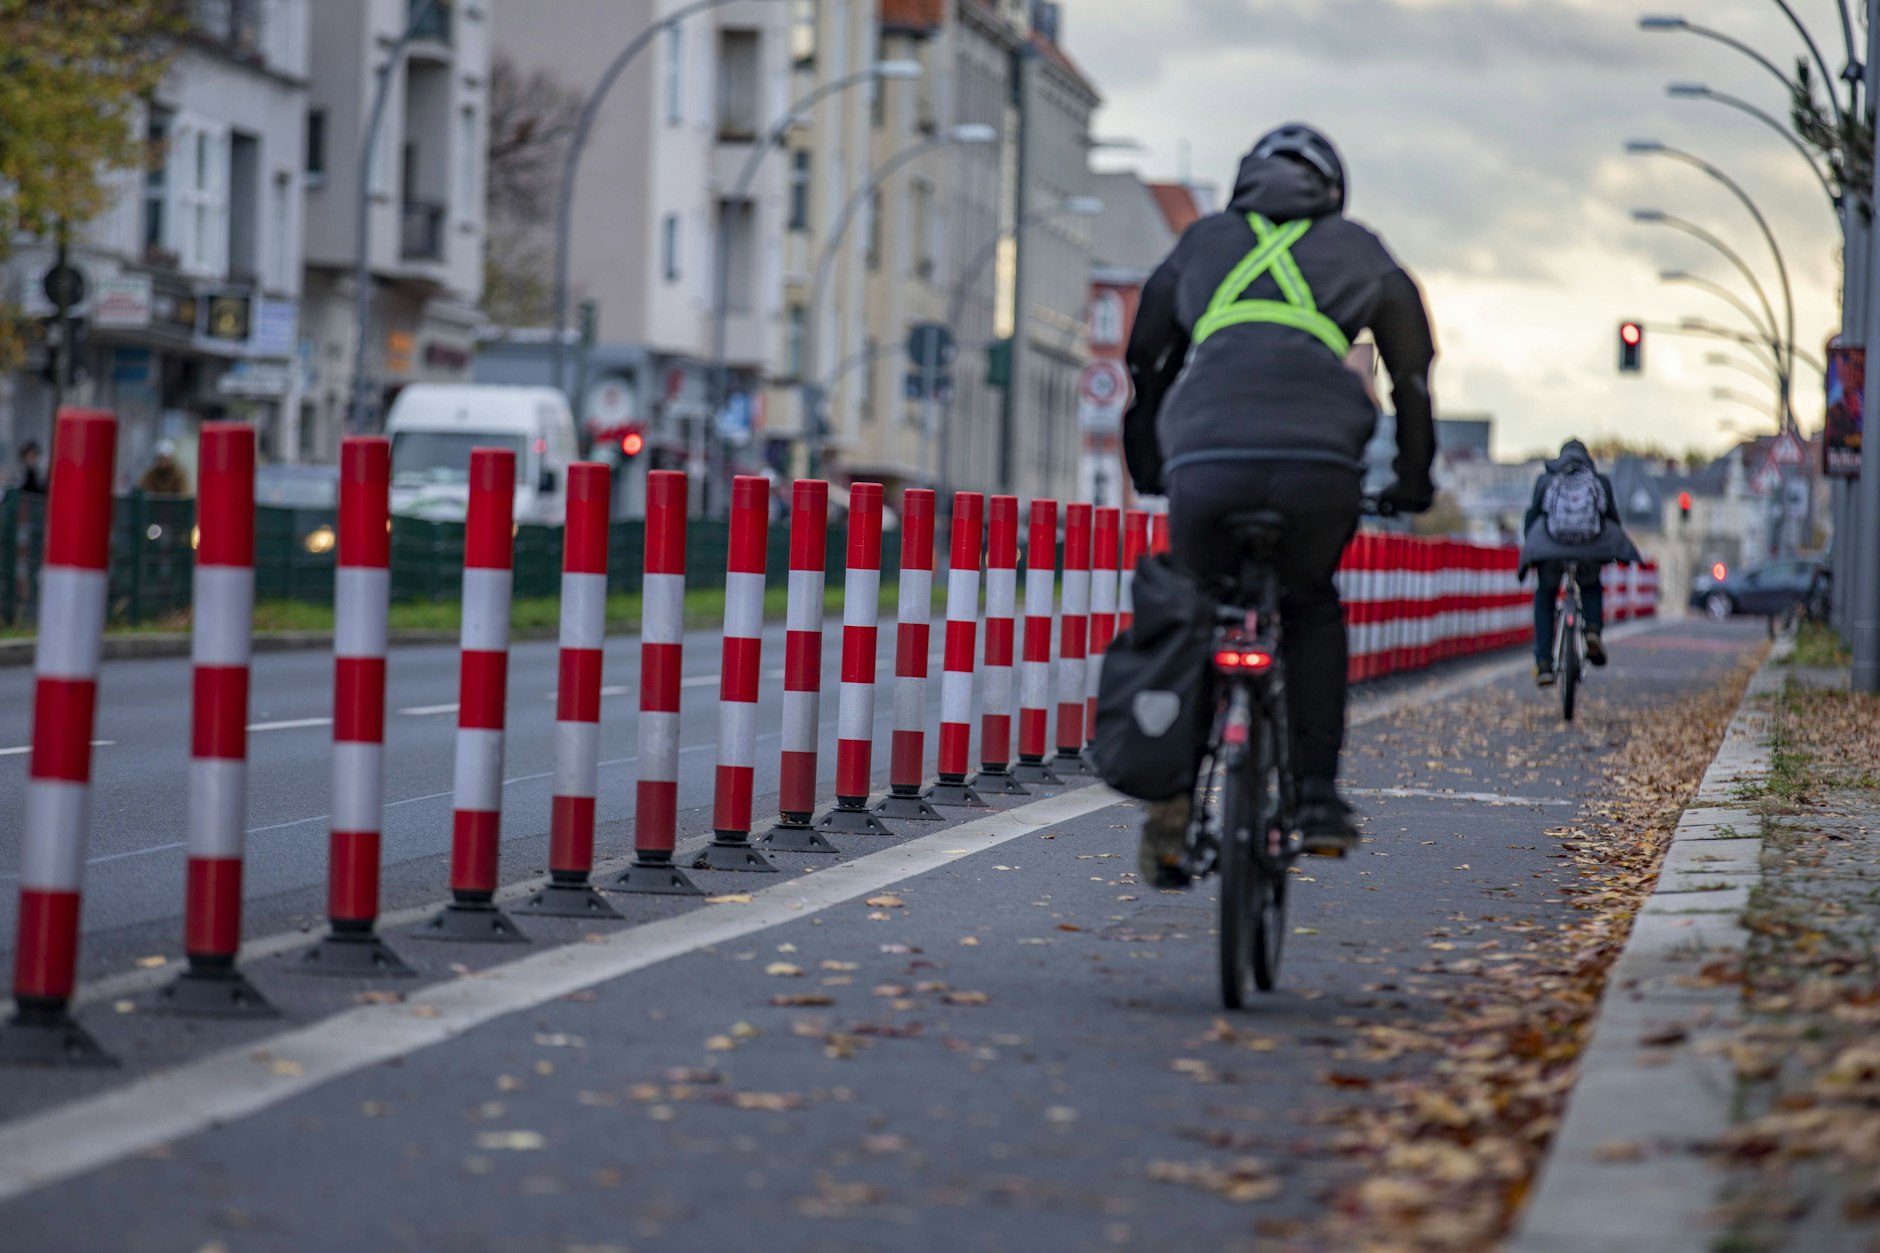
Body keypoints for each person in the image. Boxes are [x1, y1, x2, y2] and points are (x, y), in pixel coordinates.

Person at [1122, 123, 1437, 873]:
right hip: (1318, 463)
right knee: (1310, 604)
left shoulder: (1200, 244)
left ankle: (1170, 806)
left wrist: (1152, 465)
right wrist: (1414, 482)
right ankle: (1320, 796)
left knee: (1196, 606)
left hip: (1206, 457)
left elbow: (1146, 363)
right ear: (1333, 190)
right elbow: (1413, 379)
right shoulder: (1361, 248)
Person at [1520, 439, 1636, 685]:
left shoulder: (1545, 480)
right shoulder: (1600, 481)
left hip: (1551, 550)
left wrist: (1531, 555)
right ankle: (1592, 629)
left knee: (1545, 597)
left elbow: (1531, 518)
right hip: (1589, 551)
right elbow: (1611, 519)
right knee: (1591, 586)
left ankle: (1543, 664)